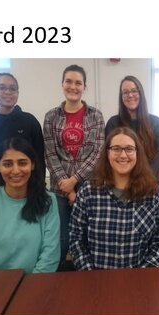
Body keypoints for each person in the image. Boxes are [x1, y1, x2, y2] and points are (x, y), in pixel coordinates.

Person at [69, 127, 159, 270]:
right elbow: (76, 239)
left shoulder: (153, 194)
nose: (123, 155)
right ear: (108, 153)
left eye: (129, 149)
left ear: (137, 153)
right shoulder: (88, 192)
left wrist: (142, 273)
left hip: (139, 281)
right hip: (96, 281)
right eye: (116, 149)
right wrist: (90, 273)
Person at [0, 137, 60, 273]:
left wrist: (31, 290)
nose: (15, 171)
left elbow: (50, 257)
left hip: (37, 285)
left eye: (22, 163)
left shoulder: (48, 201)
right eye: (8, 164)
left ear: (32, 164)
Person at [43, 64, 105, 269]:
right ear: (62, 84)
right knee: (60, 241)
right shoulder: (51, 116)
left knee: (89, 239)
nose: (73, 86)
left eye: (78, 82)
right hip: (59, 190)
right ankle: (56, 281)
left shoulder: (95, 116)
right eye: (69, 81)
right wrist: (66, 186)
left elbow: (97, 153)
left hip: (89, 188)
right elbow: (50, 154)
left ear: (84, 87)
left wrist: (74, 181)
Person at [0, 72, 45, 196]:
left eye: (12, 88)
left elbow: (39, 161)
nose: (8, 92)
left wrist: (40, 190)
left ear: (17, 93)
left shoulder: (30, 121)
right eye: (2, 88)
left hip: (28, 191)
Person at [105, 75, 159, 180]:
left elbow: (158, 159)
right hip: (120, 184)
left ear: (140, 93)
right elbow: (110, 156)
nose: (130, 95)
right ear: (121, 96)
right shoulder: (113, 123)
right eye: (125, 92)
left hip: (148, 184)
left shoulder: (156, 123)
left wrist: (141, 183)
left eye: (134, 91)